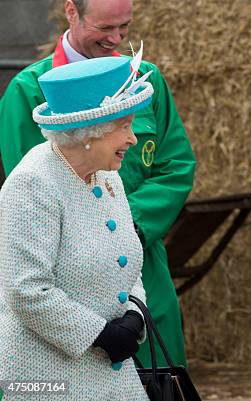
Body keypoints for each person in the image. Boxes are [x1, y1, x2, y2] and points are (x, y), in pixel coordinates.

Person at [0, 0, 196, 368]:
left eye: (124, 27)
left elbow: (177, 165)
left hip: (144, 265)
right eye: (105, 28)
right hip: (69, 280)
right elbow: (33, 196)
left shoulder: (146, 81)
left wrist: (130, 226)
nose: (116, 38)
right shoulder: (28, 90)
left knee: (162, 379)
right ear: (72, 11)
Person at [0, 56, 152, 400]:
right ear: (88, 133)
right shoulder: (33, 183)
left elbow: (126, 261)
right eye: (124, 126)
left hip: (114, 379)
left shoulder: (108, 176)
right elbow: (26, 289)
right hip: (45, 380)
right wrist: (100, 335)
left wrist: (134, 314)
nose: (132, 138)